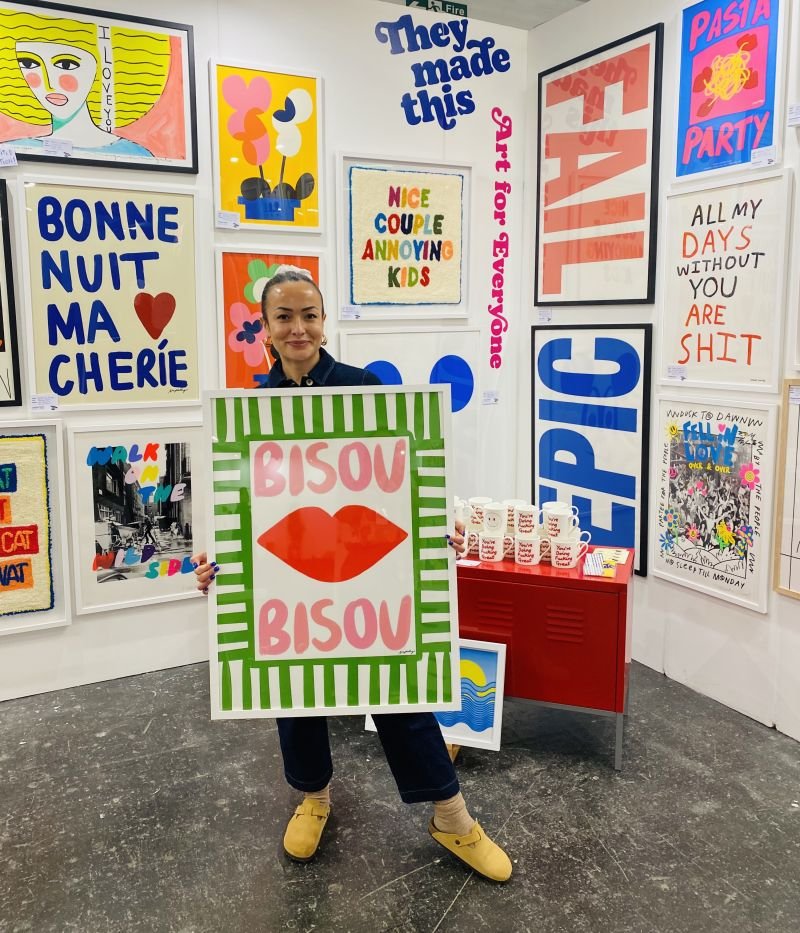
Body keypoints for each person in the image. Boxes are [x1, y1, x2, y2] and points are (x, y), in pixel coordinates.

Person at [193, 268, 512, 883]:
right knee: (294, 689)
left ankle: (452, 817)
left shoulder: (363, 388)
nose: (298, 328)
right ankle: (314, 798)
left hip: (369, 570)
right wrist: (221, 566)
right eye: (284, 316)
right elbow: (242, 505)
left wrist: (433, 528)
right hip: (291, 576)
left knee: (398, 690)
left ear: (323, 321)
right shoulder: (251, 409)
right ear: (265, 327)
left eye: (309, 315)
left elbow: (403, 478)